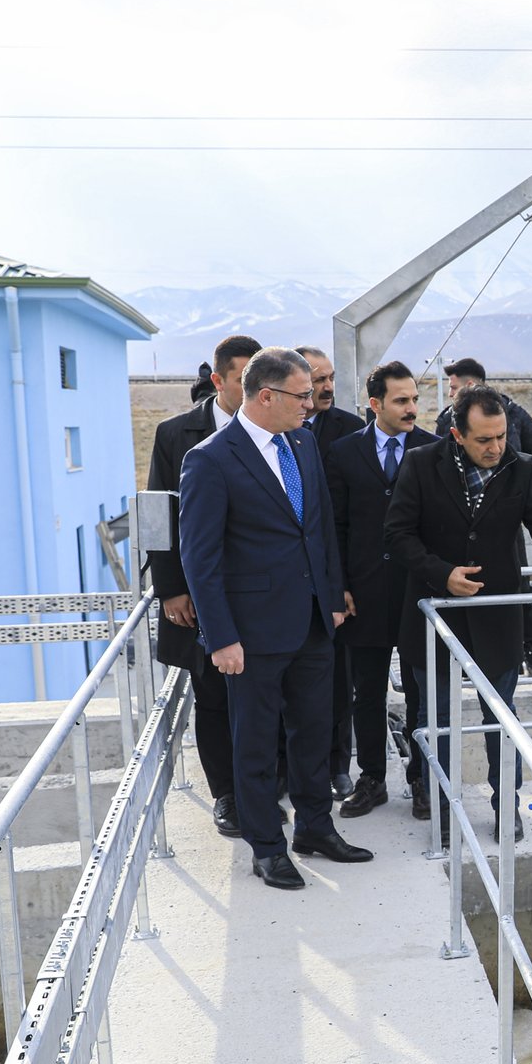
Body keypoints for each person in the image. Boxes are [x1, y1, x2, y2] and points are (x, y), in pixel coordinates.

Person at [387, 383, 532, 842]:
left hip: (496, 622)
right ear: (458, 435)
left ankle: (506, 807)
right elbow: (396, 535)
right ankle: (441, 810)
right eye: (484, 440)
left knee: (502, 719)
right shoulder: (420, 464)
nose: (495, 447)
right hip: (433, 619)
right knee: (434, 723)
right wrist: (443, 573)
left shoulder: (522, 468)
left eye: (500, 437)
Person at [179, 347, 373, 889]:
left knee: (314, 733)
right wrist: (220, 637)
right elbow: (200, 557)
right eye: (302, 395)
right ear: (266, 396)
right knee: (257, 743)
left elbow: (319, 529)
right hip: (251, 634)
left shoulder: (303, 443)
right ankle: (267, 846)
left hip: (312, 622)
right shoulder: (212, 458)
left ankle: (315, 827)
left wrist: (332, 598)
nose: (311, 405)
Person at [146, 333, 261, 839]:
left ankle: (262, 788)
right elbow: (157, 518)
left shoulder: (275, 431)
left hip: (259, 594)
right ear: (218, 381)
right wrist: (171, 590)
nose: (257, 390)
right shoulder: (176, 435)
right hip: (199, 598)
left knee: (262, 696)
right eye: (244, 381)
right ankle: (228, 797)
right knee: (212, 696)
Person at [327, 360, 437, 820]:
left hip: (418, 595)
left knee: (421, 692)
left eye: (414, 399)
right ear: (375, 404)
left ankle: (424, 779)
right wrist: (340, 588)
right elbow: (332, 527)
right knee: (366, 693)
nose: (412, 408)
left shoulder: (433, 450)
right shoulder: (342, 453)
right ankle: (372, 778)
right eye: (402, 400)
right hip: (364, 597)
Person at [433, 357, 532, 674]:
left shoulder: (512, 413)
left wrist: (529, 499)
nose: (450, 394)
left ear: (472, 387)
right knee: (463, 584)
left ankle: (528, 648)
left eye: (454, 387)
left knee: (518, 585)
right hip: (461, 525)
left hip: (505, 522)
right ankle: (463, 654)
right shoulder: (448, 420)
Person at [296, 347, 368, 795]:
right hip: (287, 583)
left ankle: (338, 763)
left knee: (340, 678)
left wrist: (341, 583)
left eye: (330, 378)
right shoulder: (275, 433)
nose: (326, 388)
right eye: (316, 380)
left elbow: (351, 519)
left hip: (335, 581)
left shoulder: (349, 430)